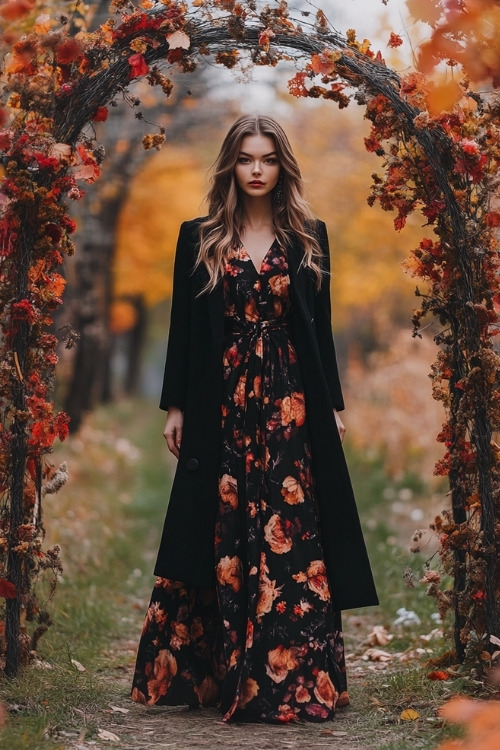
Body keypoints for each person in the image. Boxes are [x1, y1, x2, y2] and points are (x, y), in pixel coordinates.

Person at [131, 114, 378, 723]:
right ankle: (218, 674)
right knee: (220, 520)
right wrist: (178, 406)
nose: (258, 169)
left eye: (268, 158)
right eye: (247, 159)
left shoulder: (309, 238)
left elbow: (318, 335)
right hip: (223, 400)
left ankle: (291, 677)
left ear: (282, 165)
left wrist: (331, 410)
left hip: (291, 401)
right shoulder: (200, 239)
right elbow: (184, 333)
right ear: (231, 166)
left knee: (290, 523)